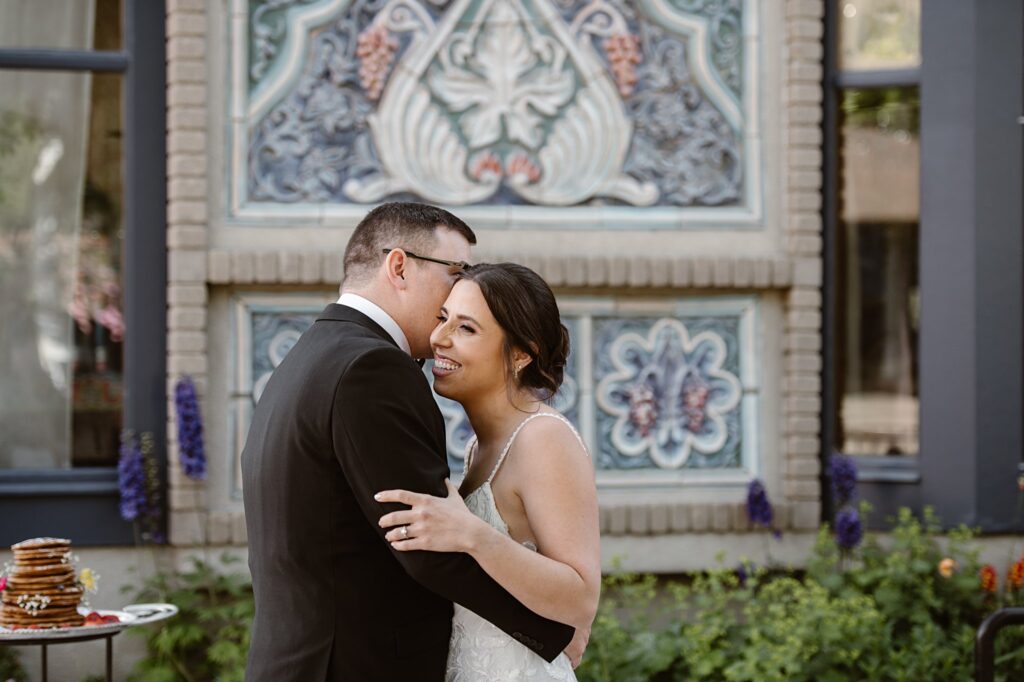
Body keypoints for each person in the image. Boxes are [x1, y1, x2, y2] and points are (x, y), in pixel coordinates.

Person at [241, 203, 578, 681]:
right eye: (455, 271)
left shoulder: (309, 356)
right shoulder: (371, 369)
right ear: (398, 266)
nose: (461, 289)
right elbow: (421, 540)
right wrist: (552, 634)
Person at [375, 262, 601, 680]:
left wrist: (472, 535)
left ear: (520, 354)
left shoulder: (543, 438)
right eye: (442, 319)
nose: (439, 339)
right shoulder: (479, 447)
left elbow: (581, 598)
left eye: (466, 329)